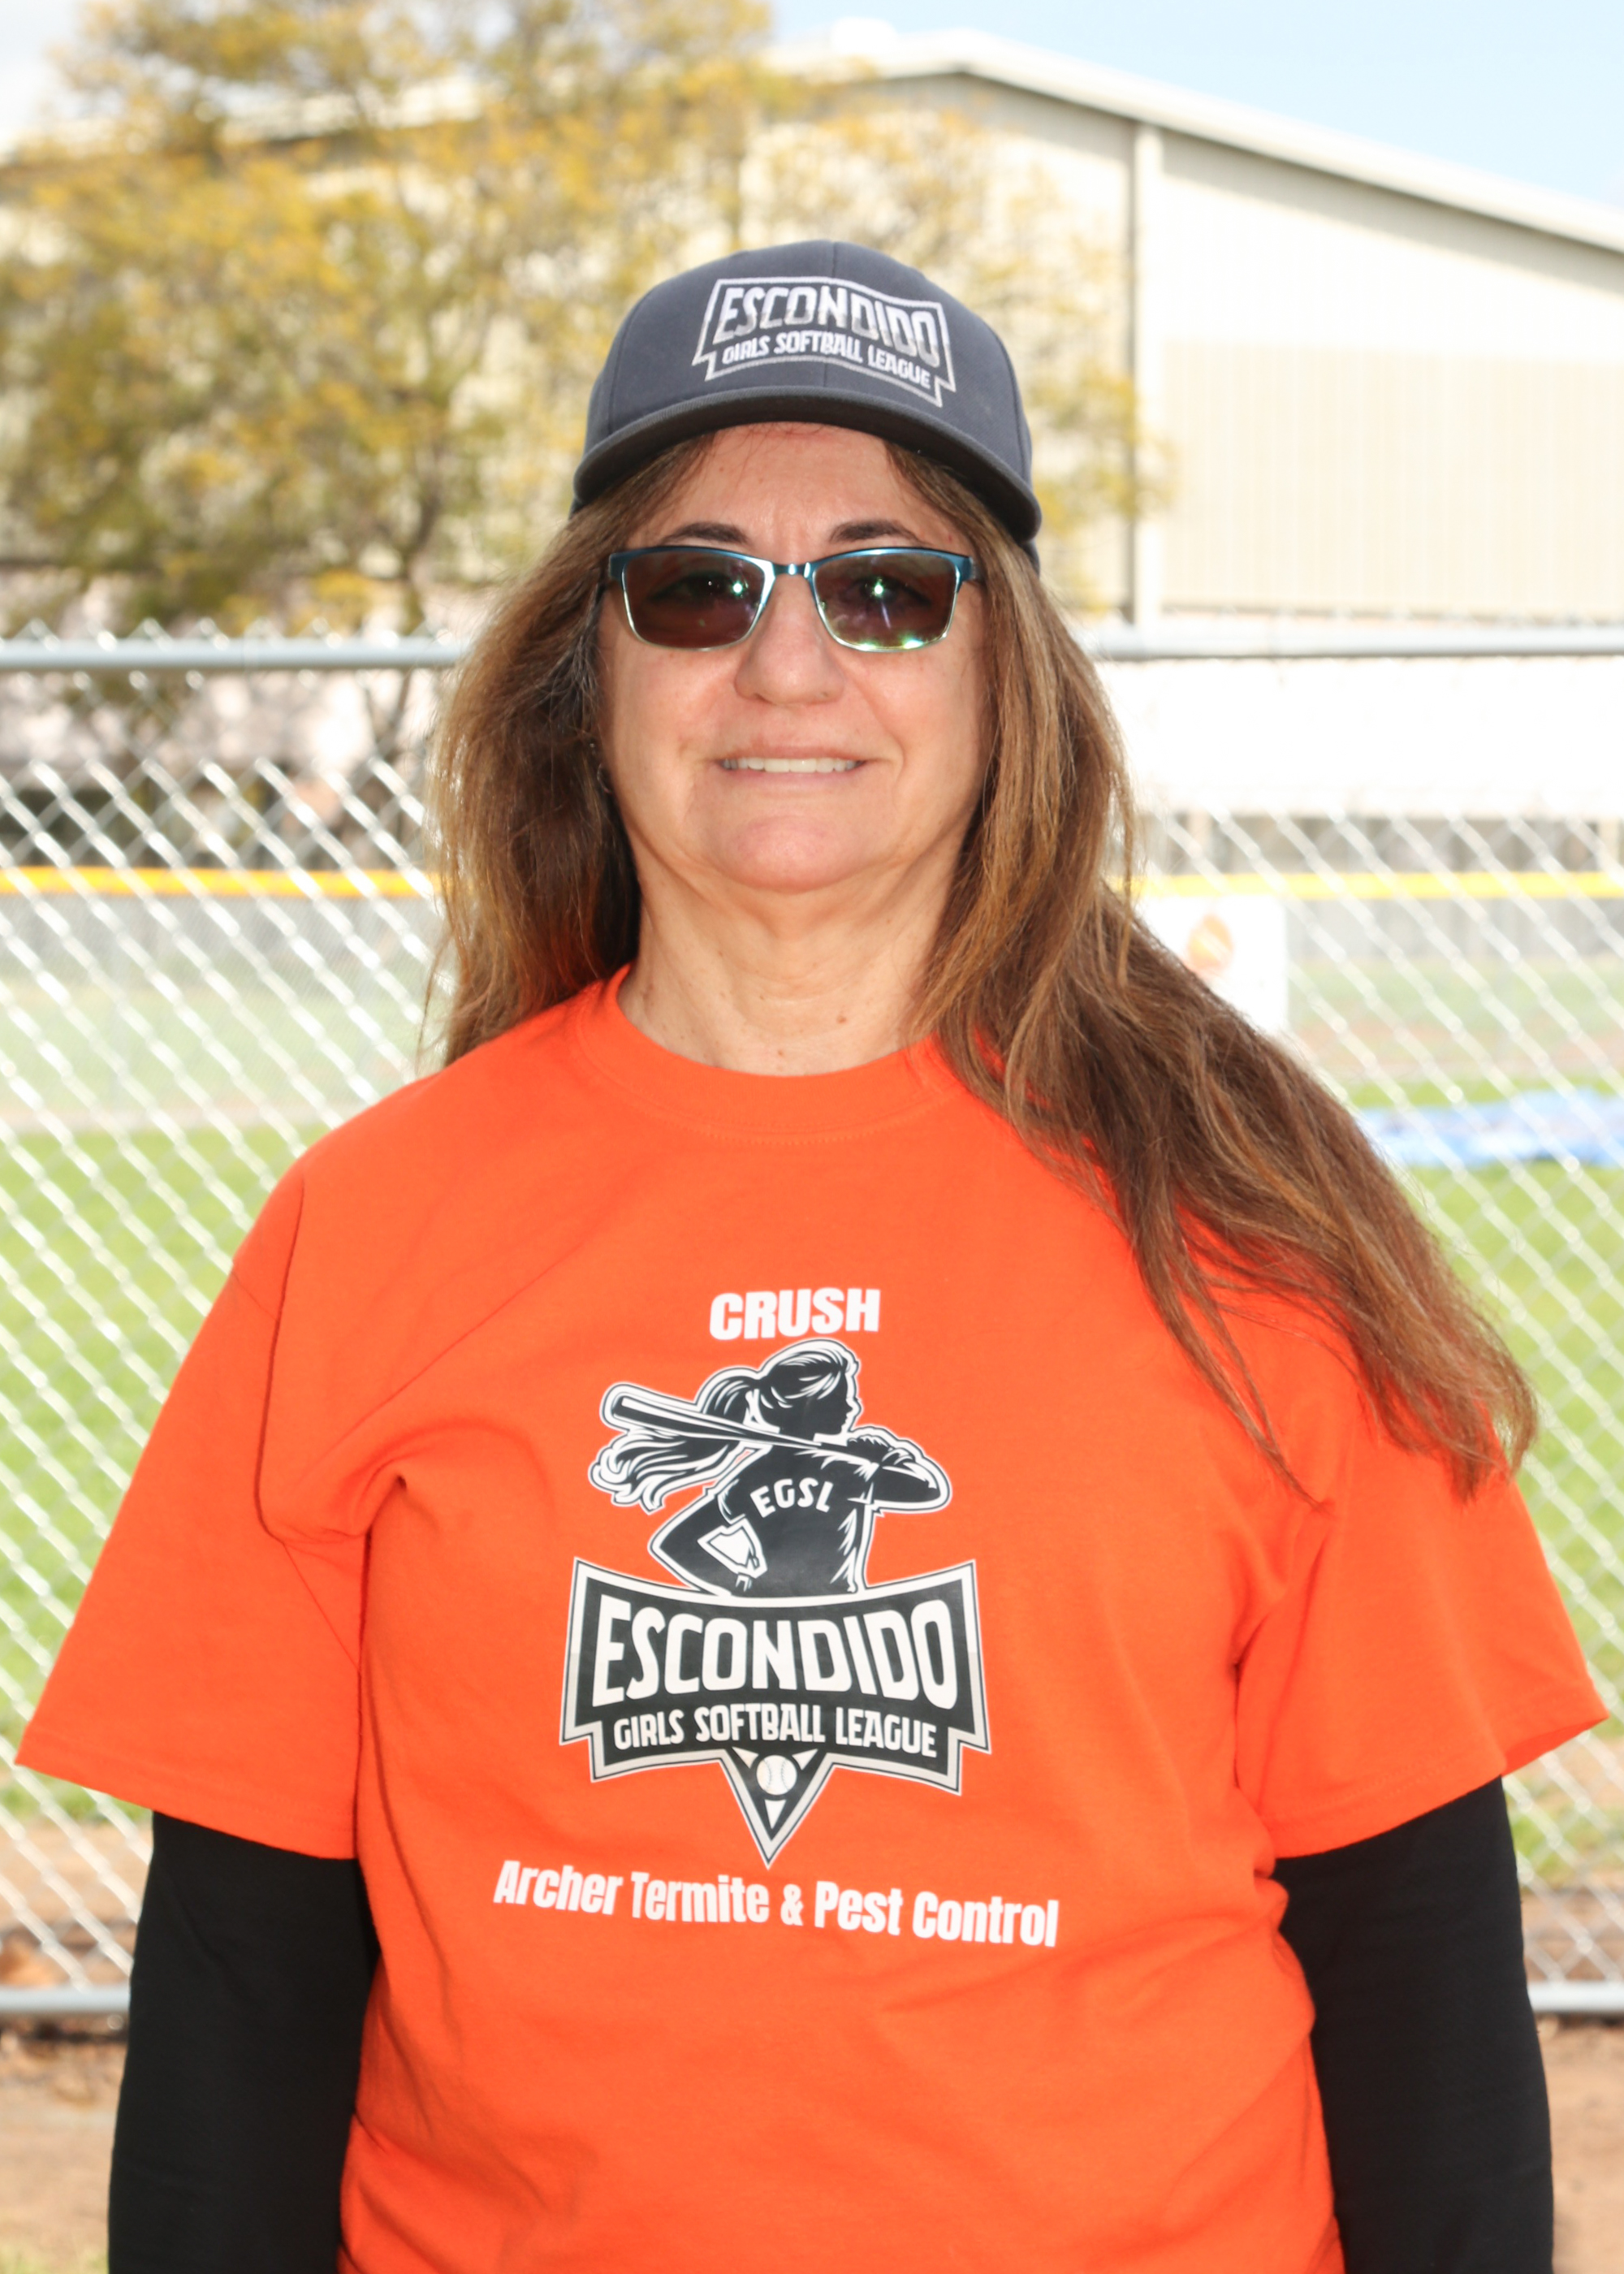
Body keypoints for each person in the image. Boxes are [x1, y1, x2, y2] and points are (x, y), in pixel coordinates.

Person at [20, 240, 1601, 2274]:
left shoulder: (1243, 1221)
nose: (786, 663)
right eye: (698, 588)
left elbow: (1422, 1988)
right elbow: (242, 1981)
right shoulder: (372, 1224)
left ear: (1001, 671)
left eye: (886, 589)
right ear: (590, 668)